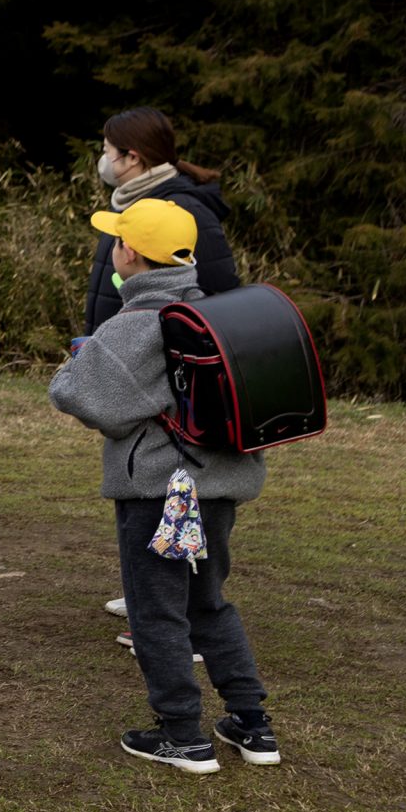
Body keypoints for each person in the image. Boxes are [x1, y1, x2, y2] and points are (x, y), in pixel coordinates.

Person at [48, 199, 279, 774]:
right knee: (209, 603)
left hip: (158, 491)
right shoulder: (216, 315)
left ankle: (182, 733)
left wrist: (75, 365)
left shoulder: (133, 325)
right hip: (219, 487)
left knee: (155, 612)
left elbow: (82, 396)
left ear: (129, 252)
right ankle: (252, 725)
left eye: (116, 242)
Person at [87, 107, 240, 619]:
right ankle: (147, 591)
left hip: (173, 380)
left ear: (132, 157)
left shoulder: (181, 210)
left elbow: (217, 300)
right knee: (138, 478)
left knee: (173, 484)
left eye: (108, 152)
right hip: (134, 365)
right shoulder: (134, 203)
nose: (103, 161)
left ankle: (182, 610)